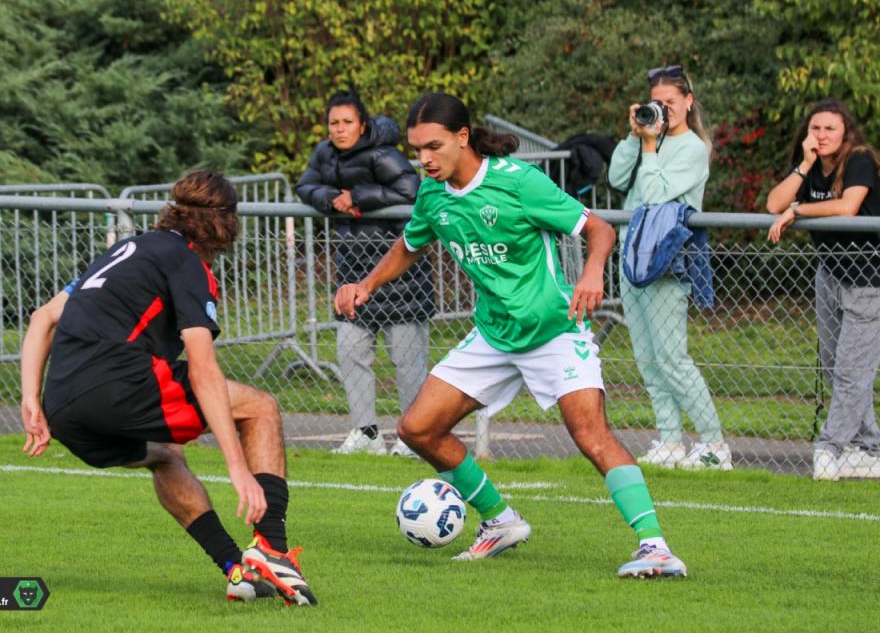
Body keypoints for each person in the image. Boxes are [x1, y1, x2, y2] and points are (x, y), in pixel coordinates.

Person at [336, 92, 687, 578]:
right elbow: (411, 243)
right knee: (417, 429)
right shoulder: (433, 194)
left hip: (554, 330)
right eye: (418, 149)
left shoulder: (518, 183)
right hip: (494, 335)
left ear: (463, 138)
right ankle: (500, 521)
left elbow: (600, 230)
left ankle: (656, 547)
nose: (425, 159)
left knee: (590, 434)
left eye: (434, 147)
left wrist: (591, 273)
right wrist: (366, 285)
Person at [19, 170, 317, 605]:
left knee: (165, 456)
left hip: (63, 406)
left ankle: (237, 569)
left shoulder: (126, 249)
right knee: (260, 408)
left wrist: (31, 400)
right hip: (117, 382)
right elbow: (202, 368)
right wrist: (236, 467)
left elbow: (42, 317)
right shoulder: (187, 262)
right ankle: (272, 546)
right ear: (225, 221)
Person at [297, 90, 433, 457]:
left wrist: (359, 196)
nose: (339, 130)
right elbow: (305, 185)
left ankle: (413, 438)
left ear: (363, 124)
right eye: (333, 123)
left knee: (407, 361)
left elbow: (412, 190)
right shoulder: (324, 153)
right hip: (352, 274)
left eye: (347, 123)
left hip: (399, 275)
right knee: (350, 351)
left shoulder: (384, 154)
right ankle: (366, 433)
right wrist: (332, 199)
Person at [608, 65, 731, 471]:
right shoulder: (647, 139)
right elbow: (615, 177)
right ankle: (671, 440)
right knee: (647, 357)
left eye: (671, 103)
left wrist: (649, 147)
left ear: (689, 102)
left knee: (673, 356)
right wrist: (634, 135)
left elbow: (657, 193)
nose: (664, 110)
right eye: (656, 104)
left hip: (667, 259)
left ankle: (715, 446)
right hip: (631, 256)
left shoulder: (693, 148)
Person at [765, 98, 880, 481]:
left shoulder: (859, 159)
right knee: (837, 369)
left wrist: (798, 211)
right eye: (816, 128)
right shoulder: (812, 167)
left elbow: (848, 207)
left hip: (869, 279)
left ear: (845, 131)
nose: (822, 135)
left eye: (830, 128)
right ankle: (869, 449)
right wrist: (804, 166)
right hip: (831, 273)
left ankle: (829, 448)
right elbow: (773, 203)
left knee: (852, 370)